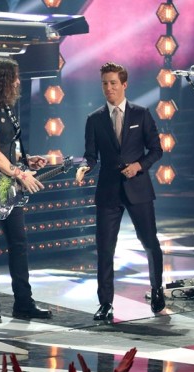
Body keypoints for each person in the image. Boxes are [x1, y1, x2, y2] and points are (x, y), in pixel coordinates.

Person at [75, 62, 166, 321]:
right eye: (105, 83)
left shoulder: (141, 114)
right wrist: (84, 168)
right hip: (108, 191)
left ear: (124, 85)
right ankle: (105, 303)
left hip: (138, 189)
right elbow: (90, 155)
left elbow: (156, 150)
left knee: (150, 243)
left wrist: (139, 165)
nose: (108, 88)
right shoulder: (94, 119)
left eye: (113, 83)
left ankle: (157, 289)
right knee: (104, 249)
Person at [0, 58, 52, 323]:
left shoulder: (5, 109)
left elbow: (6, 150)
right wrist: (19, 173)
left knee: (19, 244)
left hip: (7, 186)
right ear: (1, 79)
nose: (17, 82)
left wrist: (26, 162)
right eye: (13, 77)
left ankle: (23, 303)